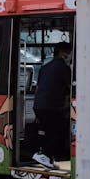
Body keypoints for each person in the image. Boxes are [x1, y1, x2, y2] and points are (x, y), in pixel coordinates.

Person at [32, 41, 72, 169]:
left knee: (50, 131)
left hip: (38, 105)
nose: (70, 55)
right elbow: (71, 88)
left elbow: (38, 87)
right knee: (60, 131)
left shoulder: (45, 67)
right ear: (63, 53)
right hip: (51, 106)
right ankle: (43, 154)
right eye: (69, 52)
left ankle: (48, 159)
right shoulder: (64, 68)